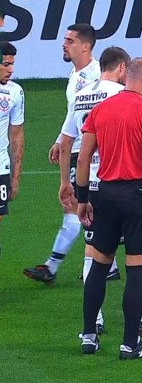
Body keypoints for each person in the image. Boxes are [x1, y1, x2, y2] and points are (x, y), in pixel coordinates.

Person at [57, 46, 142, 336]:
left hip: (104, 195)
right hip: (138, 196)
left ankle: (89, 334)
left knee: (98, 265)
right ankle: (132, 342)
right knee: (136, 269)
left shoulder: (98, 107)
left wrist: (83, 199)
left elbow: (83, 157)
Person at [24, 23, 108, 282]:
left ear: (85, 46)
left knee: (76, 206)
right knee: (86, 207)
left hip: (90, 152)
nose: (64, 44)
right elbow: (74, 113)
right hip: (78, 148)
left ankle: (51, 267)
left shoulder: (96, 75)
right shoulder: (75, 75)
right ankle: (108, 263)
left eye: (70, 40)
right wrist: (61, 140)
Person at [0, 42, 25, 233]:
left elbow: (17, 135)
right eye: (6, 65)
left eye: (12, 64)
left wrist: (15, 177)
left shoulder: (15, 92)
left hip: (1, 165)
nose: (11, 70)